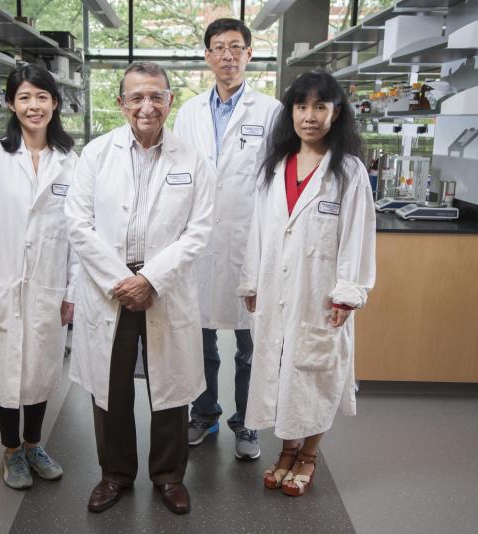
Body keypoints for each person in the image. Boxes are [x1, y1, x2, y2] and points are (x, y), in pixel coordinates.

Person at [65, 62, 214, 515]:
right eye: (136, 97)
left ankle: (169, 476)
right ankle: (115, 475)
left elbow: (200, 228)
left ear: (170, 101)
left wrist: (150, 279)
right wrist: (121, 280)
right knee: (110, 387)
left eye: (156, 96)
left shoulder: (192, 158)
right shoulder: (95, 153)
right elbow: (78, 222)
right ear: (121, 103)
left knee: (169, 388)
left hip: (163, 287)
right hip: (110, 287)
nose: (146, 106)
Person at [237, 70, 376, 497]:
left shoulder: (348, 172)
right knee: (282, 372)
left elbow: (358, 237)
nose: (309, 116)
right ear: (291, 113)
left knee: (316, 374)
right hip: (276, 292)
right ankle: (286, 448)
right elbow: (258, 230)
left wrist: (348, 295)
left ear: (336, 113)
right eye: (301, 106)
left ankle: (309, 455)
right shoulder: (277, 166)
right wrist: (251, 281)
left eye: (320, 106)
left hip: (321, 297)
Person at [0, 64, 78, 490]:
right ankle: (11, 451)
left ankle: (34, 444)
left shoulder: (70, 161)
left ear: (54, 103)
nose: (34, 106)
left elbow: (78, 234)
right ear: (11, 103)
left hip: (48, 284)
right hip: (2, 283)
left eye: (42, 97)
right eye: (25, 97)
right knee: (5, 371)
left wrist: (72, 292)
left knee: (41, 371)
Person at [174, 18, 281, 459]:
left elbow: (276, 180)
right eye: (218, 48)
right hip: (199, 242)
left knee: (249, 342)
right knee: (200, 340)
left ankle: (248, 423)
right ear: (207, 57)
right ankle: (204, 413)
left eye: (236, 47)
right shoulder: (189, 112)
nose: (228, 56)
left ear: (250, 54)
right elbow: (178, 178)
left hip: (248, 242)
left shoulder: (271, 111)